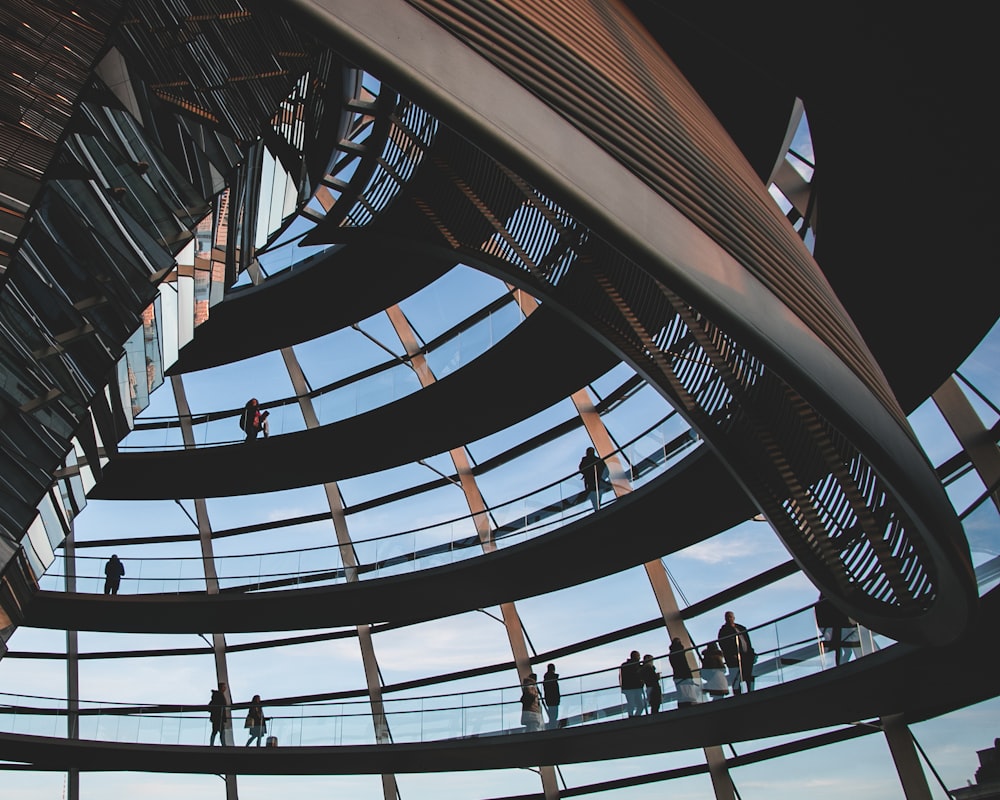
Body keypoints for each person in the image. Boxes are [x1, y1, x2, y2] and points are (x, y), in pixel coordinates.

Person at [717, 610, 755, 694]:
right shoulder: (724, 631)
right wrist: (731, 654)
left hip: (746, 655)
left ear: (734, 618)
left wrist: (751, 652)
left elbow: (748, 642)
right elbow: (723, 644)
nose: (729, 619)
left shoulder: (741, 628)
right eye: (727, 617)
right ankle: (738, 694)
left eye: (730, 617)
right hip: (733, 658)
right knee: (736, 677)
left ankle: (750, 691)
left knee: (747, 675)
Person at [815, 594, 856, 665]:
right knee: (843, 651)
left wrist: (825, 633)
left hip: (835, 629)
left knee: (840, 650)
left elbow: (819, 622)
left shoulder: (821, 605)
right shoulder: (833, 601)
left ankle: (840, 665)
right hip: (836, 629)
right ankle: (840, 665)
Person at [669, 636, 700, 707]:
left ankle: (684, 705)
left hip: (678, 675)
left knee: (682, 693)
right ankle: (690, 704)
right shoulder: (680, 652)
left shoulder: (672, 654)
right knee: (688, 691)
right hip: (684, 675)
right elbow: (684, 664)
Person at [578, 446, 609, 511]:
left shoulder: (586, 460)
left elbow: (581, 469)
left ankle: (597, 508)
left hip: (592, 481)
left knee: (594, 494)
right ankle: (597, 508)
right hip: (596, 481)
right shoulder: (597, 460)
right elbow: (605, 469)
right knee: (596, 494)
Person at [619, 650, 644, 717]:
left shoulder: (624, 665)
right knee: (639, 705)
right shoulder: (636, 666)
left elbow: (621, 677)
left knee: (632, 704)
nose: (639, 658)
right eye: (638, 656)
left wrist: (622, 687)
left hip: (628, 688)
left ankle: (632, 717)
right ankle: (635, 717)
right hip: (635, 687)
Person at [541, 663, 561, 729]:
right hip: (554, 700)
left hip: (549, 700)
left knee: (552, 716)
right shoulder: (553, 679)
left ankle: (552, 727)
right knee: (554, 716)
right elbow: (555, 690)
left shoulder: (546, 679)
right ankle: (553, 727)